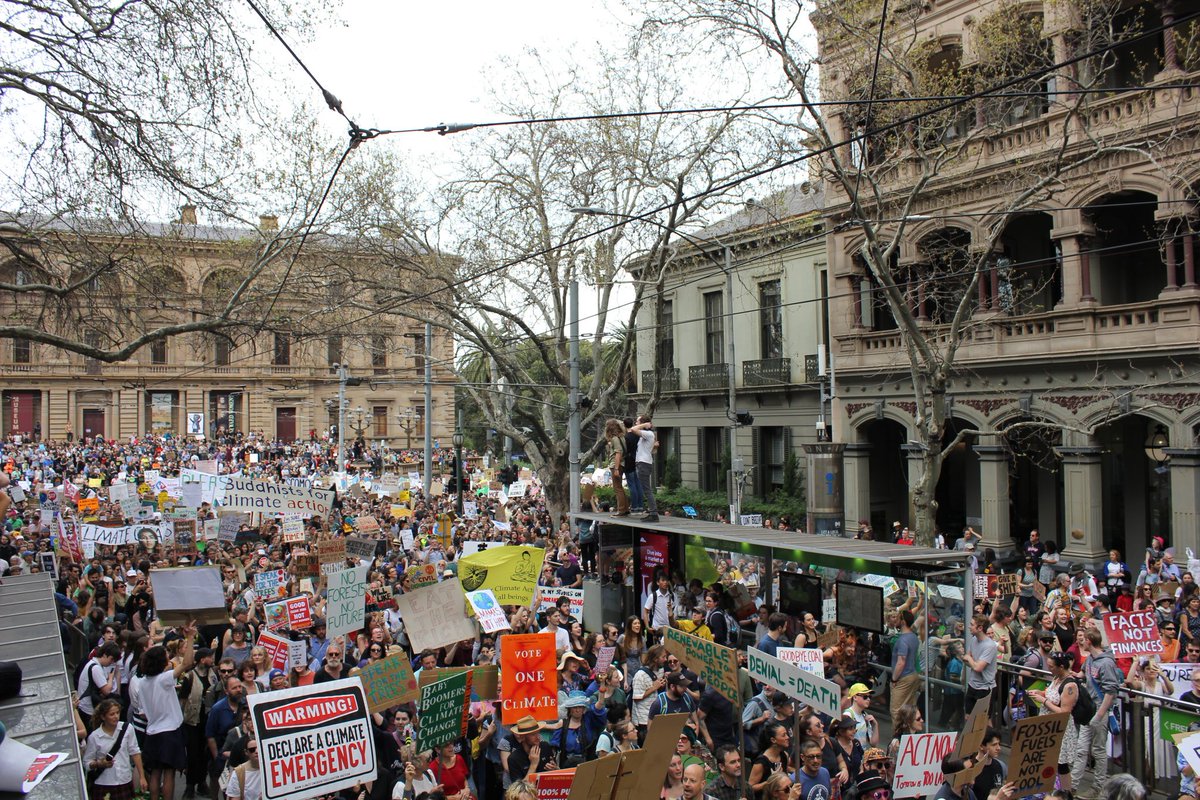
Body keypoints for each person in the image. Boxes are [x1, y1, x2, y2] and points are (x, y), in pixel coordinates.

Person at [132, 625, 196, 800]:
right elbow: (188, 663)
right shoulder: (164, 679)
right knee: (169, 774)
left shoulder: (142, 682)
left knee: (155, 773)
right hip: (170, 731)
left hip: (152, 731)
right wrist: (190, 638)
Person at [1074, 628, 1124, 800]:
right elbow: (1082, 675)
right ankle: (1072, 785)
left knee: (1098, 750)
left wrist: (1099, 715)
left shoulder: (1106, 663)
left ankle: (1098, 787)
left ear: (1089, 640)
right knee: (1081, 749)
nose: (1080, 642)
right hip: (1089, 710)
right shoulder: (1089, 659)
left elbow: (1111, 691)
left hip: (1099, 711)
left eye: (1083, 639)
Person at [84, 698, 146, 800]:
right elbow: (86, 762)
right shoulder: (94, 737)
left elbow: (135, 752)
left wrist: (142, 777)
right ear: (103, 717)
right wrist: (99, 763)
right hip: (104, 783)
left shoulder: (127, 728)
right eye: (112, 714)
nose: (116, 717)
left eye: (117, 713)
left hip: (124, 780)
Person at [889, 610, 920, 719]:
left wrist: (894, 679)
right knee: (909, 710)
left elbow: (901, 662)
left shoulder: (902, 640)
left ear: (903, 622)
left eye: (897, 618)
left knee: (896, 711)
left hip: (903, 677)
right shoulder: (914, 637)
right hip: (913, 674)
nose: (895, 620)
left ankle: (897, 735)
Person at [749, 720, 793, 796]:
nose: (787, 737)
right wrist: (770, 782)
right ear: (773, 740)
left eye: (787, 734)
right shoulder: (761, 762)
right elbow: (750, 787)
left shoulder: (784, 755)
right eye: (784, 735)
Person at [963, 614, 997, 705]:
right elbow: (965, 659)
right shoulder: (974, 639)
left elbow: (978, 667)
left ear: (980, 628)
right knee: (968, 716)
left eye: (972, 625)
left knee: (983, 718)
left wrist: (970, 659)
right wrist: (972, 661)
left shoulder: (990, 646)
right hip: (972, 684)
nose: (969, 627)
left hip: (984, 688)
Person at [632, 416, 659, 522]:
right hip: (643, 463)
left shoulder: (648, 434)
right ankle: (652, 512)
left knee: (647, 490)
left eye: (638, 421)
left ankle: (653, 513)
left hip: (643, 464)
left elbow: (634, 429)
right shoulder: (646, 435)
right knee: (646, 489)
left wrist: (645, 425)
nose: (636, 422)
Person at [971, 729, 1006, 800]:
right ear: (981, 746)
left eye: (999, 744)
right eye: (994, 745)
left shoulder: (1000, 766)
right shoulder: (971, 769)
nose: (999, 748)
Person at [604, 419, 630, 516]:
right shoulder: (621, 437)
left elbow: (618, 453)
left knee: (617, 488)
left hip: (616, 464)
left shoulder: (615, 439)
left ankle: (621, 510)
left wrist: (615, 468)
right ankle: (625, 508)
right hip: (621, 464)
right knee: (620, 487)